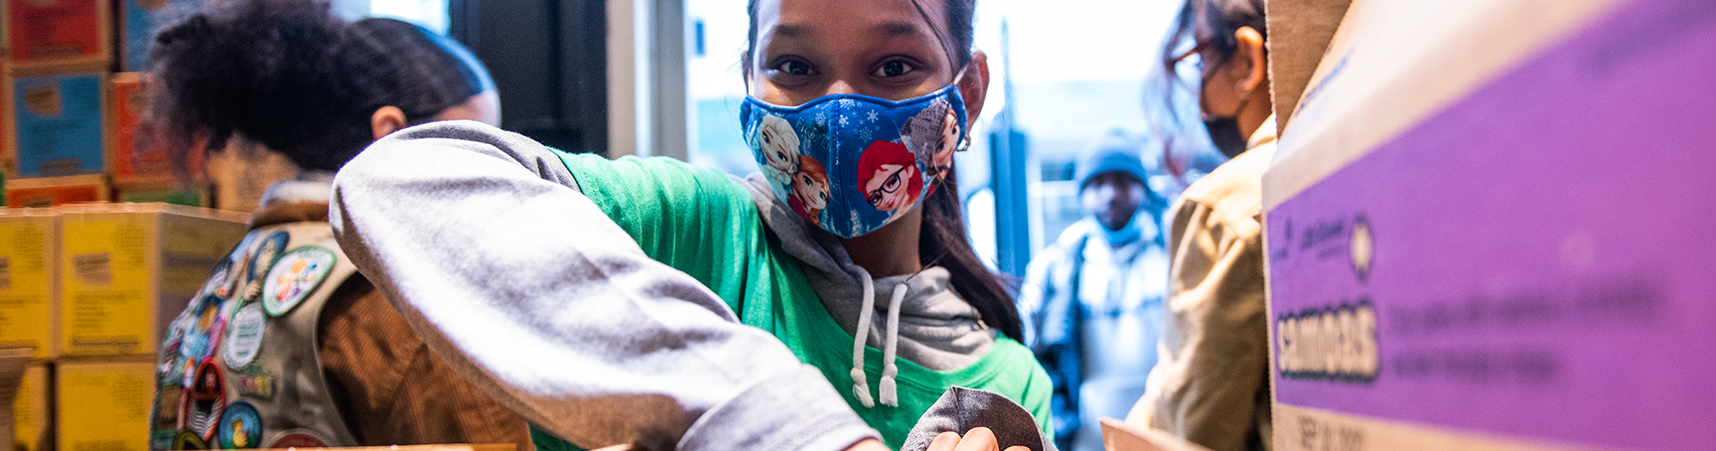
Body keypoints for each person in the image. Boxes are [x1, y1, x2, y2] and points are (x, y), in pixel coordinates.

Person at [326, 0, 1053, 450]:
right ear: (748, 77)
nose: (838, 109)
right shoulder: (692, 229)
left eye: (894, 65)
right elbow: (396, 179)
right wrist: (776, 424)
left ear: (971, 91)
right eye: (795, 65)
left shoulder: (1008, 383)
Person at [142, 1, 524, 448]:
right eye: (471, 149)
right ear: (389, 135)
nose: (492, 179)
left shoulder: (225, 282)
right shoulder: (398, 299)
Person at [1128, 0, 1279, 450]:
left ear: (1249, 61)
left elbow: (1194, 428)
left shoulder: (1222, 206)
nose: (1197, 92)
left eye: (1200, 59)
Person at [1021, 135, 1168, 451]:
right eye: (1098, 183)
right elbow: (1037, 352)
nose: (1111, 193)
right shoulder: (1056, 266)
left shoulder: (1173, 252)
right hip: (1087, 434)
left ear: (1142, 188)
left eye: (1122, 181)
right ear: (1081, 194)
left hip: (1166, 426)